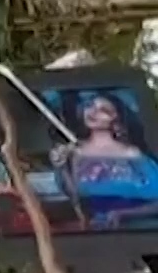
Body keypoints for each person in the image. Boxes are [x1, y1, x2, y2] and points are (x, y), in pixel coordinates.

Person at [50, 92, 158, 229]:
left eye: (103, 110)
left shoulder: (131, 154)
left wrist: (124, 214)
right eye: (89, 106)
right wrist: (60, 166)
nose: (93, 112)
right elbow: (75, 197)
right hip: (95, 232)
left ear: (117, 119)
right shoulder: (74, 152)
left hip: (140, 231)